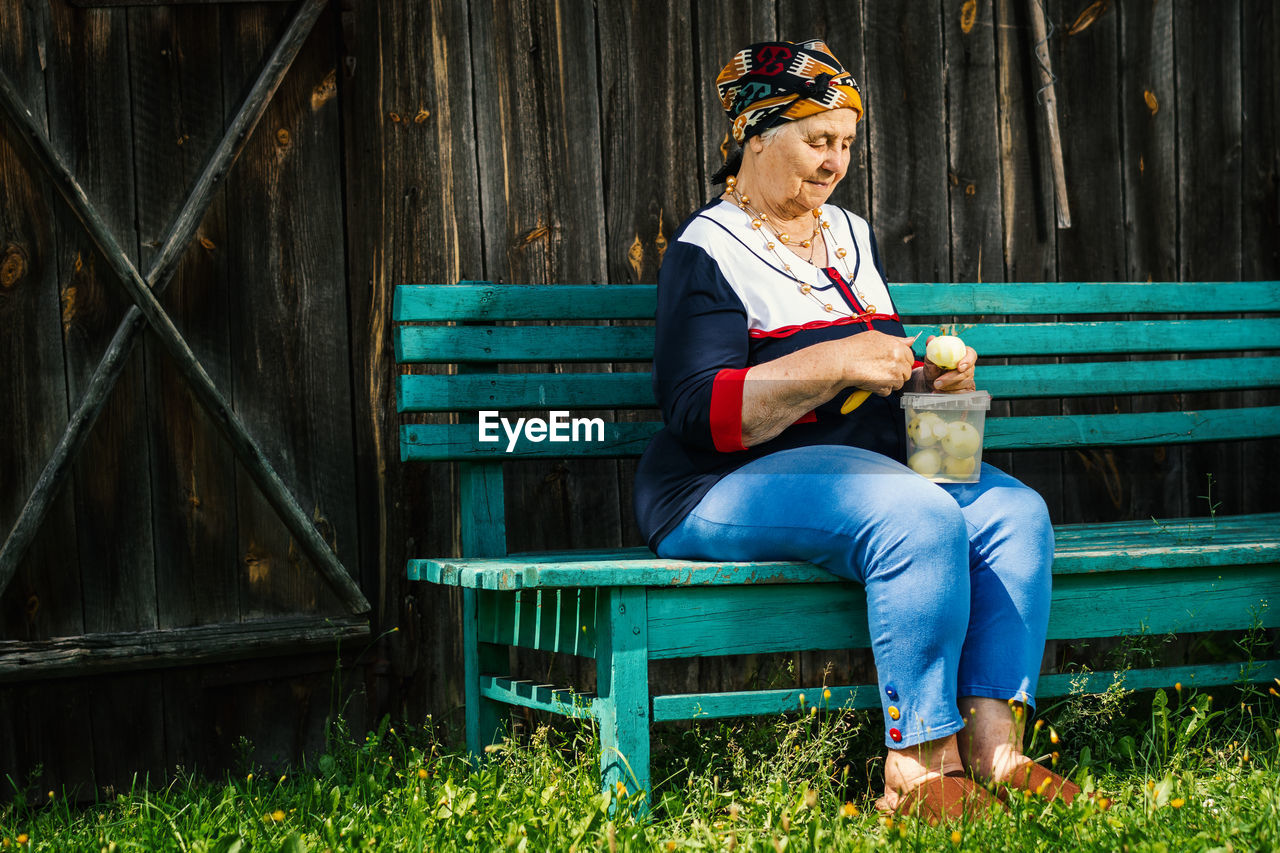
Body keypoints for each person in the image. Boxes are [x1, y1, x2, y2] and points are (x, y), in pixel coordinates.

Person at [633, 39, 1078, 821]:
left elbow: (887, 367)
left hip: (873, 466)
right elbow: (699, 412)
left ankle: (992, 748)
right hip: (716, 486)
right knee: (916, 513)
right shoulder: (708, 250)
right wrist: (836, 359)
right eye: (816, 140)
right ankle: (917, 765)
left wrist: (934, 381)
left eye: (844, 143)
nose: (833, 161)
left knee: (1015, 512)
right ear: (754, 136)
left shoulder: (849, 234)